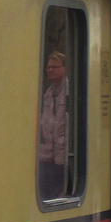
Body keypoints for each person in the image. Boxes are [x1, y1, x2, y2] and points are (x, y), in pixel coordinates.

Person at [37, 51, 68, 200]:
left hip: (63, 155)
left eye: (54, 67)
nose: (50, 70)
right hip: (48, 154)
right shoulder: (48, 93)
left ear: (64, 69)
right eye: (48, 67)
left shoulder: (70, 92)